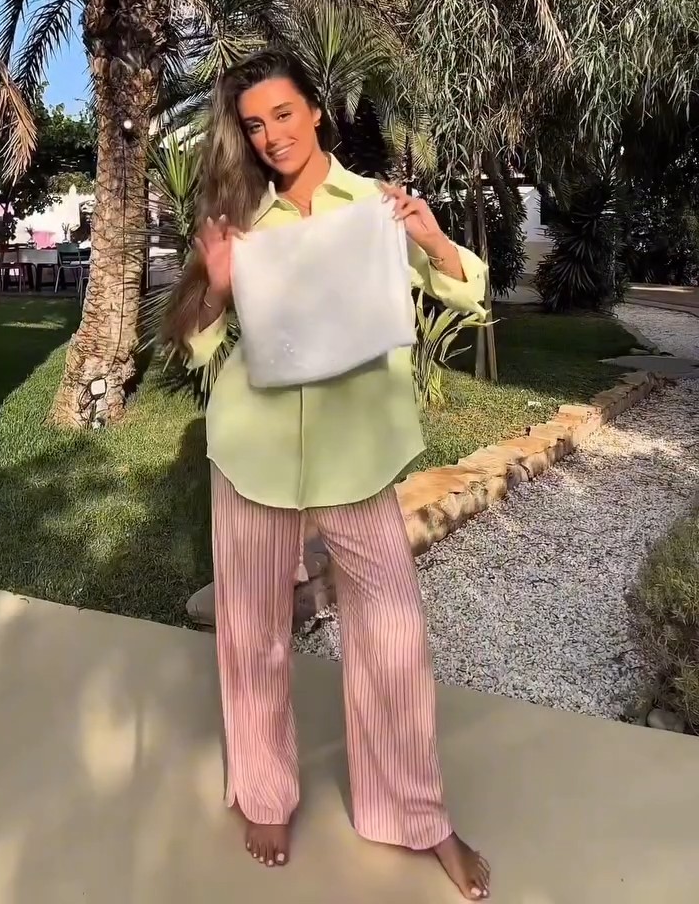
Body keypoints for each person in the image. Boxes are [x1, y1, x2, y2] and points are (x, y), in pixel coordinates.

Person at [165, 50, 491, 900]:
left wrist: (429, 236)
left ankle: (416, 815)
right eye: (254, 124)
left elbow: (468, 295)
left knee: (393, 636)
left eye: (283, 114)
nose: (270, 135)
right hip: (254, 451)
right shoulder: (241, 220)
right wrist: (217, 286)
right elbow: (195, 344)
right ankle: (265, 795)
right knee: (251, 633)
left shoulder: (375, 209)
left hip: (358, 454)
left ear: (316, 110)